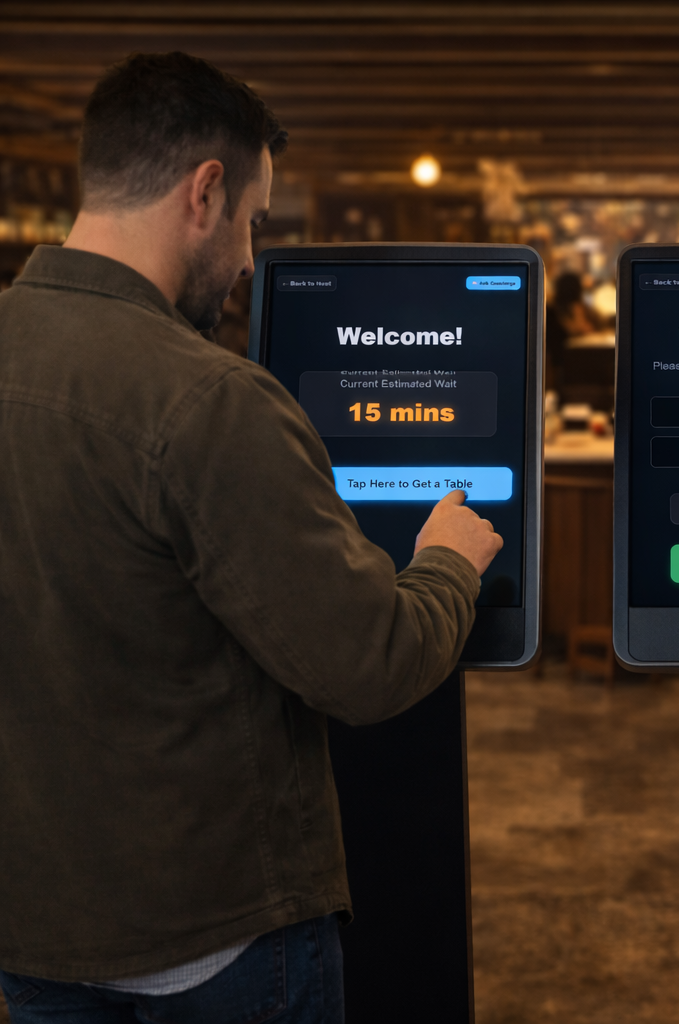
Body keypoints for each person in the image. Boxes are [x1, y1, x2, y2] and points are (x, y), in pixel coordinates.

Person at [0, 53, 501, 1022]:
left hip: (34, 924)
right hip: (211, 929)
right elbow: (367, 664)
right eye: (253, 221)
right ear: (205, 192)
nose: (247, 260)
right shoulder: (206, 398)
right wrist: (447, 560)